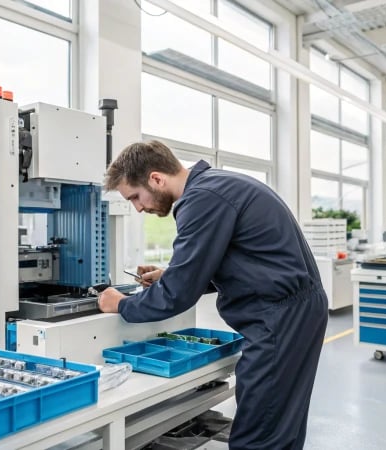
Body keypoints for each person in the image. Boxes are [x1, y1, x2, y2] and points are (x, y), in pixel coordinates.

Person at [98, 140, 328, 449]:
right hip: (293, 310)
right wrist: (170, 274)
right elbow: (232, 260)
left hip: (278, 319)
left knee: (258, 434)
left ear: (156, 178)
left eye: (135, 197)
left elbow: (177, 295)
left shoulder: (201, 200)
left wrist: (122, 304)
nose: (138, 208)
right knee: (281, 424)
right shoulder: (217, 185)